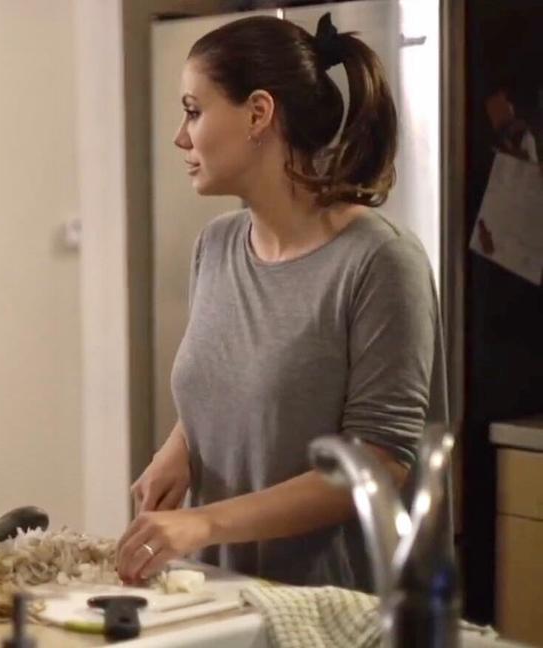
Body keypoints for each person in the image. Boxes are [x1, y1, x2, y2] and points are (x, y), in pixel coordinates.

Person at [117, 14, 446, 592]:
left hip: (338, 610)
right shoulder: (216, 246)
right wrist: (182, 446)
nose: (179, 135)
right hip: (226, 596)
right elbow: (237, 382)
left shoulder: (381, 263)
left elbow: (379, 465)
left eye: (194, 110)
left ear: (258, 113)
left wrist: (203, 522)